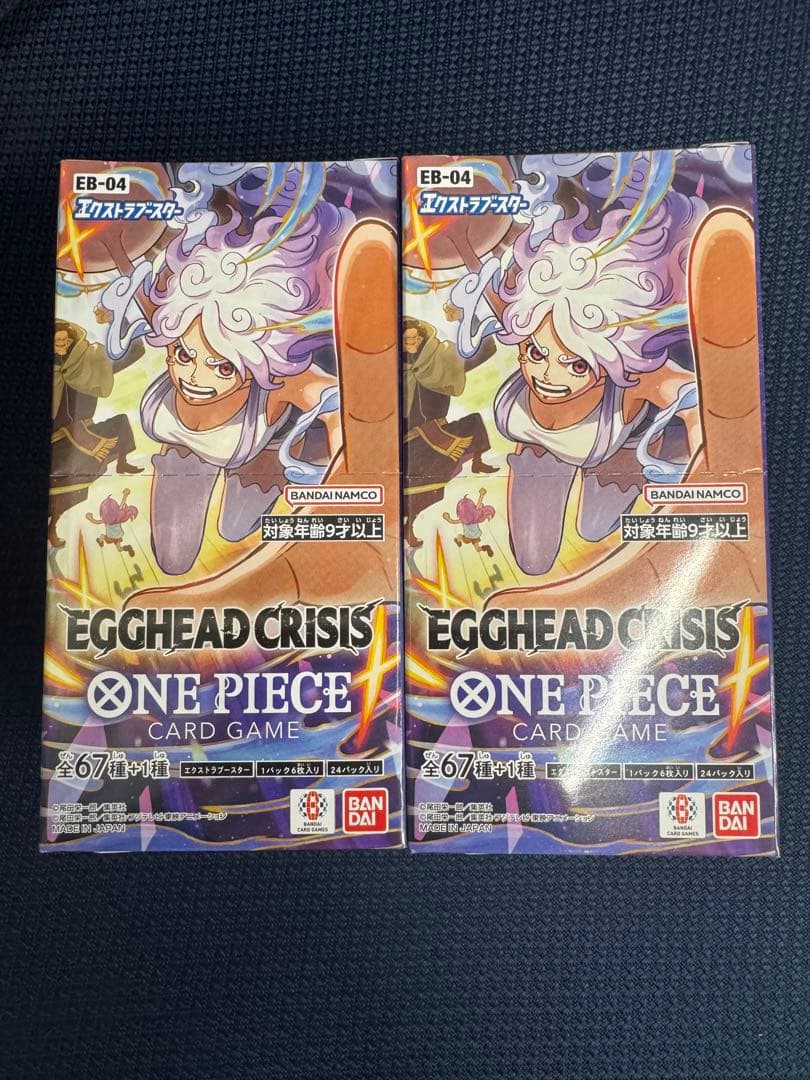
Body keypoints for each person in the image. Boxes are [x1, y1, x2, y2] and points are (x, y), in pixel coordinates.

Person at [492, 196, 701, 575]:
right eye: (536, 354)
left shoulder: (637, 374)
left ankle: (656, 442)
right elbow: (497, 277)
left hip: (618, 452)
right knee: (532, 561)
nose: (547, 376)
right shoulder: (527, 319)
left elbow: (695, 396)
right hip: (539, 453)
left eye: (576, 364)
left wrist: (699, 447)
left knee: (595, 528)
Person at [403, 303, 497, 548]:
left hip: (438, 431)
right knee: (419, 488)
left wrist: (465, 318)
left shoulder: (443, 357)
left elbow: (487, 348)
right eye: (406, 340)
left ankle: (477, 460)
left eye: (415, 338)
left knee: (473, 422)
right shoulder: (392, 368)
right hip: (409, 439)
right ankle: (408, 527)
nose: (411, 344)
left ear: (423, 337)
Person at [49, 318, 143, 549]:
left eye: (64, 341)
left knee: (120, 423)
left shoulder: (89, 363)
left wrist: (118, 316)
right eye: (56, 341)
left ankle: (122, 461)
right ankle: (51, 527)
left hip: (83, 434)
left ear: (72, 341)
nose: (60, 345)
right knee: (61, 489)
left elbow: (136, 351)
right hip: (56, 440)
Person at [443, 488, 495, 557]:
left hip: (468, 537)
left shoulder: (465, 520)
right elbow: (478, 505)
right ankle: (486, 548)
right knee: (478, 549)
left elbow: (452, 521)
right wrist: (481, 495)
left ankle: (458, 540)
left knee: (460, 536)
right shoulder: (475, 517)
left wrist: (447, 518)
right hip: (475, 536)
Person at [86, 489, 138, 556]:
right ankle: (127, 548)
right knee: (119, 549)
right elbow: (122, 503)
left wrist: (90, 518)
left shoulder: (106, 520)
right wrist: (125, 495)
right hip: (118, 535)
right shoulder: (119, 516)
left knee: (102, 536)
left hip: (110, 536)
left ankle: (100, 541)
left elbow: (96, 522)